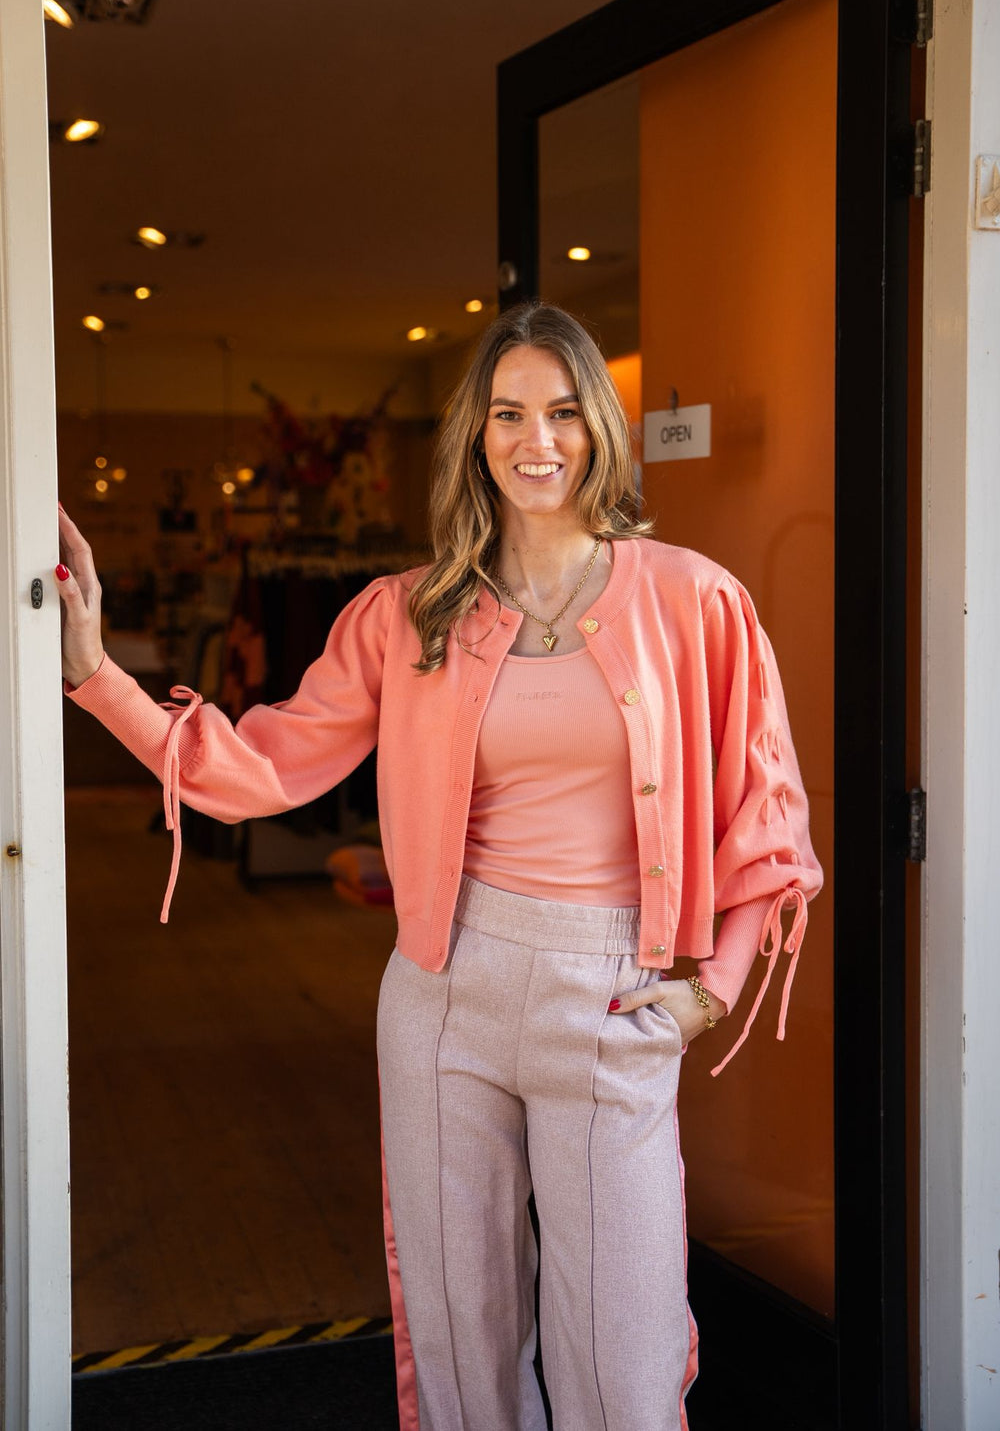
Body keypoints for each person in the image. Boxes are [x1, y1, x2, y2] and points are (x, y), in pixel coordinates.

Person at [57, 301, 822, 1431]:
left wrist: (711, 988)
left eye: (563, 411)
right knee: (463, 1340)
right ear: (475, 433)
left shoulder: (693, 599)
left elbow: (767, 811)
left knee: (626, 1356)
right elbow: (258, 766)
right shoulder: (408, 614)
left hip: (611, 993)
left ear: (600, 427)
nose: (536, 439)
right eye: (507, 413)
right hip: (444, 991)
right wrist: (96, 674)